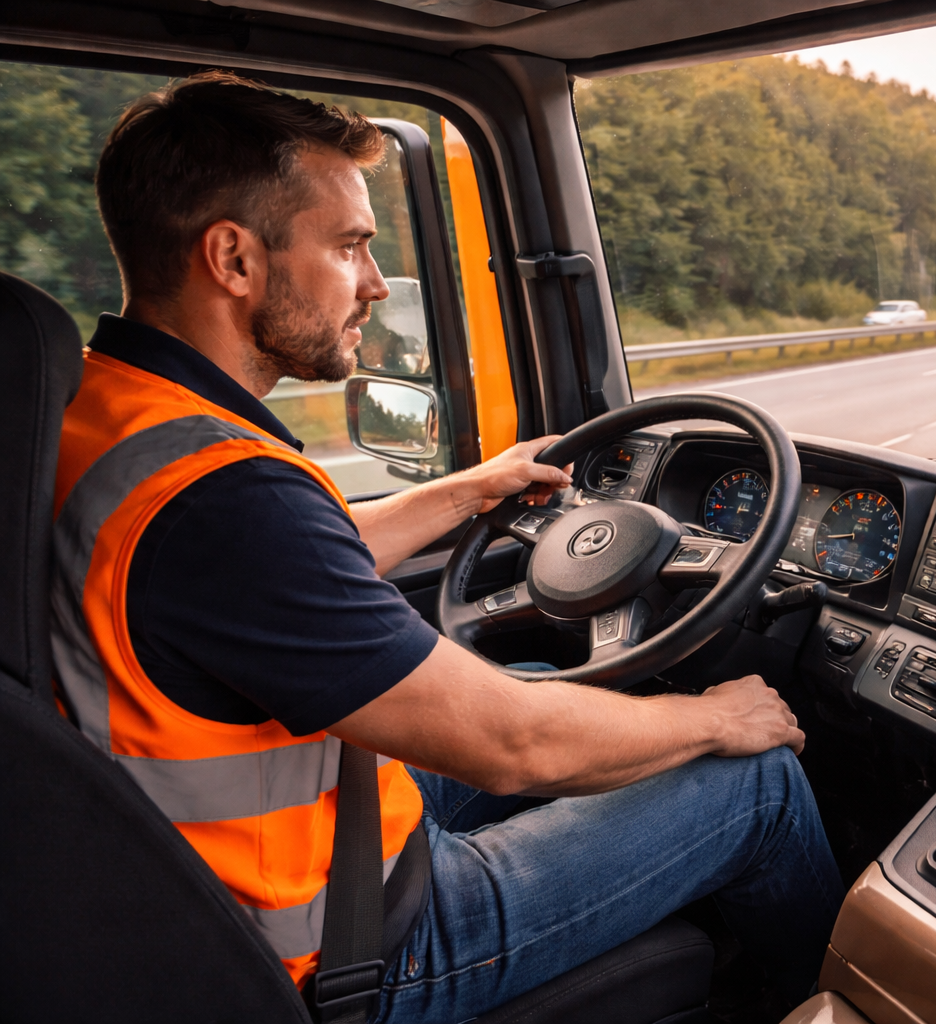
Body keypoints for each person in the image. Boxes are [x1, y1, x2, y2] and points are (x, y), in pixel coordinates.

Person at [51, 71, 842, 1021]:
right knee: (755, 779)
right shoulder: (227, 499)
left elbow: (290, 573)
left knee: (543, 669)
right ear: (233, 258)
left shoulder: (101, 414)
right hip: (337, 953)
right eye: (350, 246)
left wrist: (473, 488)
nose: (375, 284)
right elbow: (512, 745)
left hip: (212, 882)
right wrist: (714, 719)